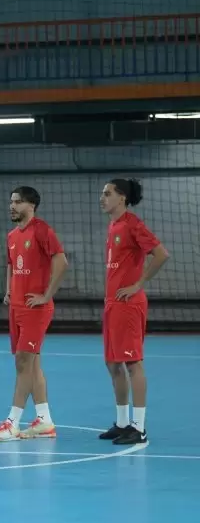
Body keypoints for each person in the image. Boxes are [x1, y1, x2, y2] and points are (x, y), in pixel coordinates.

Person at [0, 186, 68, 442]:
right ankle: (44, 421)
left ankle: (12, 422)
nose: (12, 206)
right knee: (32, 364)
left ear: (31, 205)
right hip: (17, 306)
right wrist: (9, 289)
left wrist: (46, 294)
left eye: (18, 202)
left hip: (35, 308)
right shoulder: (11, 235)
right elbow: (11, 263)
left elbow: (61, 262)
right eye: (11, 201)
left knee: (22, 362)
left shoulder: (42, 230)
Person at [98, 178, 169, 445]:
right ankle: (122, 422)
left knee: (132, 363)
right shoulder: (113, 225)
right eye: (102, 194)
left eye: (107, 194)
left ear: (122, 198)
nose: (102, 198)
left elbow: (161, 254)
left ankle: (139, 428)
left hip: (129, 304)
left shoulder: (132, 224)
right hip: (112, 303)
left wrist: (137, 284)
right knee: (112, 363)